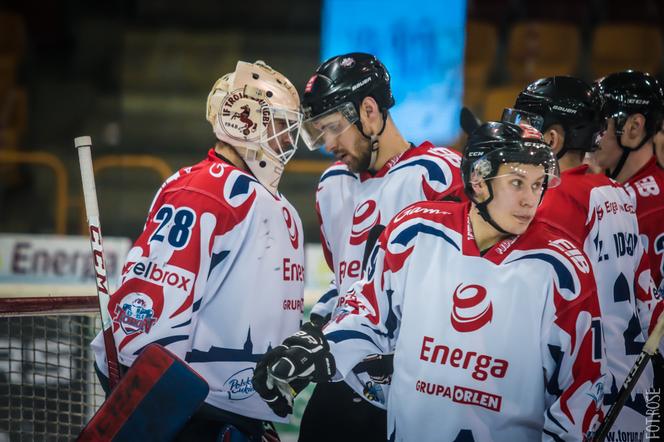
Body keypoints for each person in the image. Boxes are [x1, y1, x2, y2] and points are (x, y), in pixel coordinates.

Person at [254, 122, 606, 441]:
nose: (531, 199)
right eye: (516, 183)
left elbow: (583, 385)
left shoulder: (562, 268)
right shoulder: (416, 231)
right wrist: (318, 349)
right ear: (478, 181)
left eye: (538, 183)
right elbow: (369, 314)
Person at [91, 60, 306, 441]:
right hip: (196, 414)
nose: (286, 141)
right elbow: (147, 312)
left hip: (237, 412)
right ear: (246, 121)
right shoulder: (203, 192)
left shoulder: (268, 201)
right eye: (278, 125)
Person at [295, 52, 466, 442]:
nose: (328, 144)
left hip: (418, 388)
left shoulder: (440, 174)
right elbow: (348, 282)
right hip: (347, 374)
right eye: (320, 131)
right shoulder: (330, 186)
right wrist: (314, 330)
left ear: (369, 110)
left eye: (334, 127)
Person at [505, 75, 661, 439]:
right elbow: (648, 300)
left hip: (585, 403)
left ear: (551, 140)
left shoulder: (554, 201)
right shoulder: (617, 192)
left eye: (523, 127)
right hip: (634, 393)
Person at [591, 69, 664, 440]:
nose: (591, 135)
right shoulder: (614, 195)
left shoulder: (643, 206)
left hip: (644, 386)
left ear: (634, 127)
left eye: (600, 123)